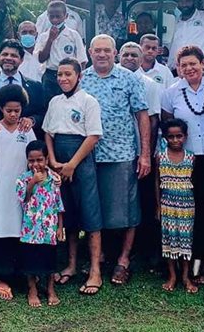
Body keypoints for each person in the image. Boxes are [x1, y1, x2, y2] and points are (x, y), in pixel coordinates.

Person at [81, 34, 151, 287]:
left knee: (127, 210)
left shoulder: (129, 78)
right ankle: (97, 257)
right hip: (89, 155)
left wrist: (145, 154)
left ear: (115, 53)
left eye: (107, 50)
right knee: (94, 208)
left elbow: (142, 115)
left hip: (122, 154)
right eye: (97, 50)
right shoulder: (82, 79)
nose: (102, 54)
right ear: (90, 52)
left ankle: (123, 260)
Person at [161, 45, 204, 282]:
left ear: (203, 63)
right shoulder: (171, 92)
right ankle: (196, 265)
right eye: (184, 65)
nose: (189, 68)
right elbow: (169, 126)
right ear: (178, 68)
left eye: (193, 63)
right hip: (187, 161)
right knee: (195, 211)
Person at [43, 58, 104, 295]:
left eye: (68, 74)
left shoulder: (89, 101)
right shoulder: (55, 102)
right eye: (59, 74)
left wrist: (72, 164)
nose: (63, 79)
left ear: (79, 76)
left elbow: (93, 136)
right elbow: (48, 133)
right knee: (67, 215)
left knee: (90, 215)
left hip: (81, 160)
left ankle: (95, 271)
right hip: (59, 161)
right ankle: (71, 264)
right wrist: (53, 160)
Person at [0, 85, 37, 301]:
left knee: (21, 230)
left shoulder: (26, 130)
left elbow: (34, 157)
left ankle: (22, 274)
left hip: (23, 189)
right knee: (0, 231)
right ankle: (2, 277)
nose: (13, 114)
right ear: (1, 109)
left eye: (17, 110)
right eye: (9, 110)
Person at [119, 42, 162, 266]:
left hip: (141, 152)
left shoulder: (149, 84)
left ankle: (146, 251)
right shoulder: (113, 80)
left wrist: (147, 153)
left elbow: (153, 120)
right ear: (118, 56)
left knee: (144, 201)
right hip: (119, 152)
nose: (129, 58)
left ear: (141, 57)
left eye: (134, 55)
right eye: (125, 54)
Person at [16, 140, 65, 307]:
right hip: (30, 229)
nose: (35, 164)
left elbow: (58, 204)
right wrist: (32, 182)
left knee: (50, 261)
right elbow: (24, 199)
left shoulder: (54, 179)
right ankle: (32, 290)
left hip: (49, 229)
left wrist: (60, 227)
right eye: (31, 160)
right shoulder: (23, 179)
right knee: (30, 261)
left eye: (39, 160)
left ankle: (51, 289)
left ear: (47, 159)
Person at [0, 39, 47, 139]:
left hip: (25, 142)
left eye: (14, 55)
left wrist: (31, 120)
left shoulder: (35, 87)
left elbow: (42, 115)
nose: (8, 58)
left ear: (21, 60)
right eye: (5, 54)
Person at [156, 118, 197, 294]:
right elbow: (156, 183)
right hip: (167, 205)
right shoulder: (161, 157)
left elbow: (194, 182)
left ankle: (186, 277)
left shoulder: (191, 157)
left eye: (179, 136)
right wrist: (158, 206)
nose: (175, 140)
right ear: (165, 138)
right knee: (169, 240)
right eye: (170, 137)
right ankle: (172, 275)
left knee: (186, 241)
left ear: (185, 136)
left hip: (187, 206)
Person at [35, 1, 87, 102]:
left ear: (65, 16)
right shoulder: (44, 36)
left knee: (70, 101)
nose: (55, 20)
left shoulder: (73, 35)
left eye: (58, 16)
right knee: (49, 104)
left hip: (69, 74)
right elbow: (41, 59)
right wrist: (50, 39)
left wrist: (78, 79)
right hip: (50, 76)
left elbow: (82, 60)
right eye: (52, 17)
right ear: (48, 16)